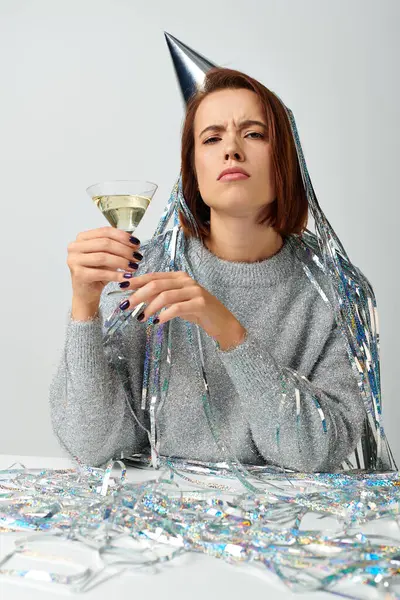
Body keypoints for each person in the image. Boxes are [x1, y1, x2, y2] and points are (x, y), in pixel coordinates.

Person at [49, 68, 366, 471]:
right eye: (212, 138)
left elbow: (316, 453)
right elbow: (91, 446)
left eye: (253, 134)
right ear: (192, 170)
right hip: (154, 519)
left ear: (285, 157)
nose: (231, 149)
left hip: (283, 525)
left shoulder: (336, 293)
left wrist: (227, 329)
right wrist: (84, 307)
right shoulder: (144, 276)